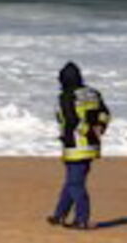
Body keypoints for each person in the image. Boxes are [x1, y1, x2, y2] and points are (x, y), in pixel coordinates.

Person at [47, 61, 111, 229]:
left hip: (74, 146)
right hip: (92, 145)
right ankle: (59, 215)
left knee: (75, 184)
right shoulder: (93, 93)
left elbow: (71, 120)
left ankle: (82, 219)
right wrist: (100, 128)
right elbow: (105, 113)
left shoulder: (66, 96)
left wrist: (86, 131)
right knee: (72, 181)